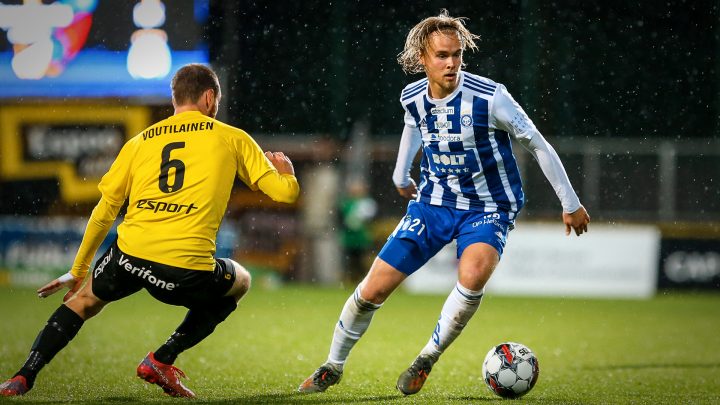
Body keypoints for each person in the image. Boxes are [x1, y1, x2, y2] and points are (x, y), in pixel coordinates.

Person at [298, 9, 590, 396]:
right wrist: (401, 175)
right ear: (423, 58)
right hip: (433, 203)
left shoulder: (491, 97)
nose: (451, 63)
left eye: (456, 55)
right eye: (442, 56)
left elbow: (536, 143)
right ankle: (331, 366)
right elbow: (412, 127)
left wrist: (569, 202)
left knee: (472, 277)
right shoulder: (412, 96)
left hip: (489, 207)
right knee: (372, 290)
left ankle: (425, 359)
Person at [0, 64, 300, 398]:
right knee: (240, 280)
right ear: (209, 97)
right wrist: (286, 172)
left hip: (129, 258)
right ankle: (162, 359)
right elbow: (285, 194)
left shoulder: (139, 141)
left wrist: (78, 269)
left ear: (174, 99)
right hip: (185, 272)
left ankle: (22, 376)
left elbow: (104, 212)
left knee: (83, 300)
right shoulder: (232, 138)